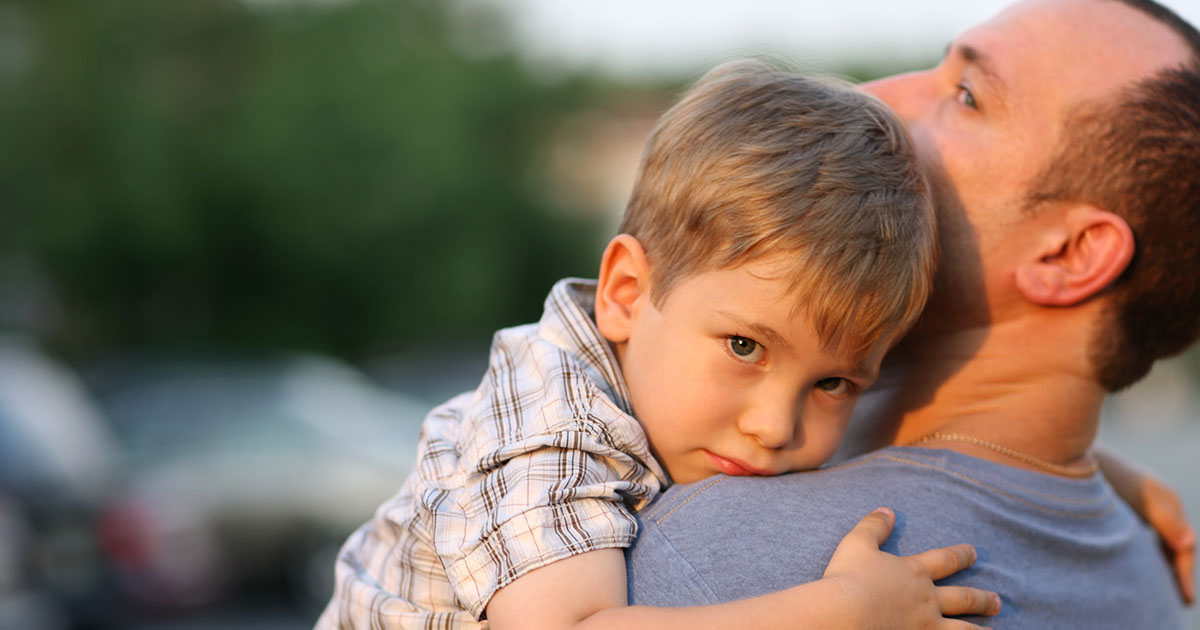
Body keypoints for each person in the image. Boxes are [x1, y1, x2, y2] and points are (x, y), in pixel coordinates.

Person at [316, 62, 1006, 629]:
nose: (775, 427)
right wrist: (840, 613)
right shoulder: (550, 423)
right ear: (624, 293)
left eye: (832, 384)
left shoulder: (671, 397)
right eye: (744, 347)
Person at [625, 0, 1200, 627]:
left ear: (1069, 255)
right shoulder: (1148, 574)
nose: (875, 96)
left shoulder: (719, 564)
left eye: (967, 96)